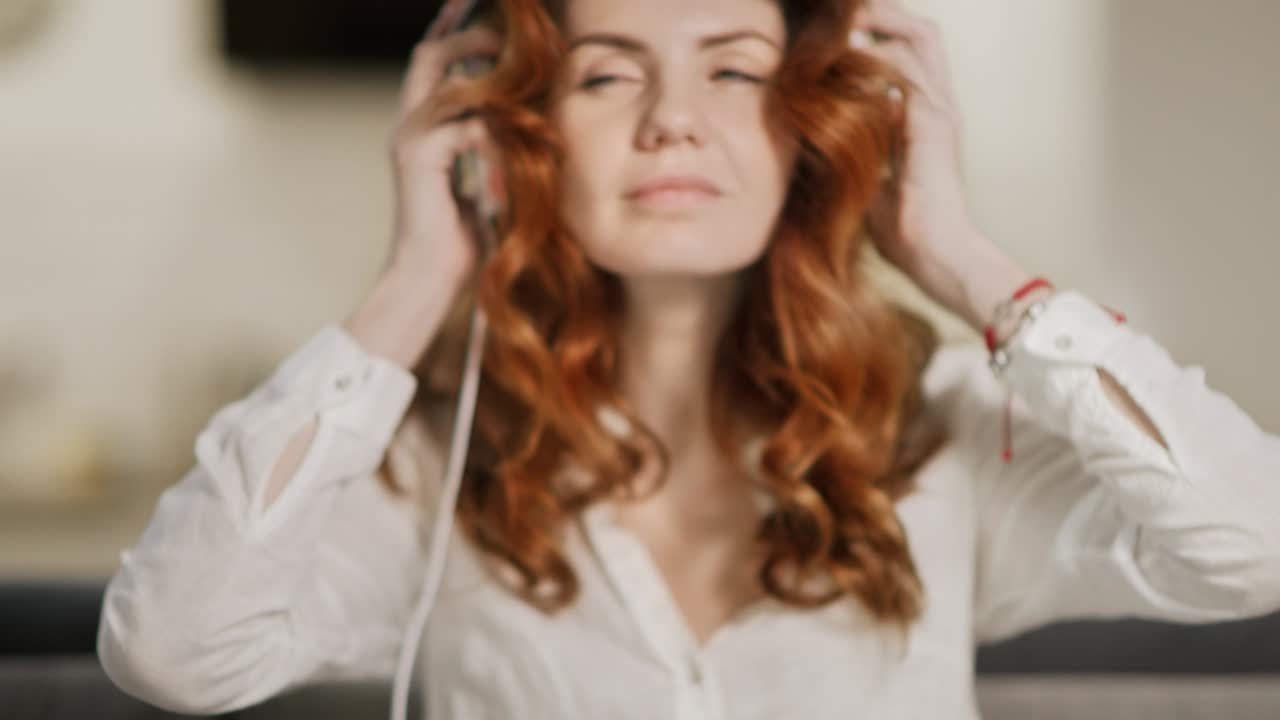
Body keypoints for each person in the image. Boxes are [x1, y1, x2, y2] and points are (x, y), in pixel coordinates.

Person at [96, 0, 1280, 718]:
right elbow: (170, 654)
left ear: (809, 128)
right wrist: (418, 278)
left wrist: (955, 252)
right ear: (517, 140)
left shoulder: (942, 442)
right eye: (608, 73)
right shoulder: (434, 474)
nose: (671, 118)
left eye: (732, 69)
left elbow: (1253, 545)